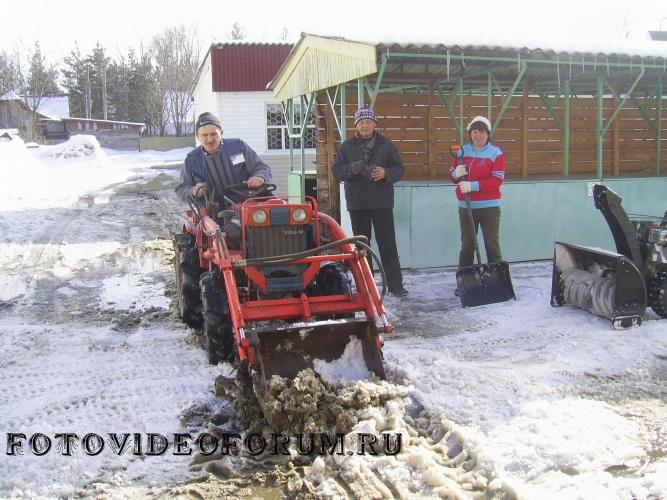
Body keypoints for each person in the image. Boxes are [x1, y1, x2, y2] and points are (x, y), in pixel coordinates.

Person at [332, 107, 408, 297]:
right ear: (356, 125)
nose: (365, 125)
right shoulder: (347, 147)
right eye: (361, 122)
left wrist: (386, 173)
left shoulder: (386, 145)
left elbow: (399, 169)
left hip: (382, 202)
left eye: (368, 122)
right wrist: (353, 169)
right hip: (358, 203)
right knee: (362, 247)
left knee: (388, 244)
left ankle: (396, 286)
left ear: (374, 124)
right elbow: (337, 171)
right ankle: (366, 286)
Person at [450, 115, 506, 293]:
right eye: (474, 131)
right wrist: (456, 174)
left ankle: (497, 281)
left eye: (481, 131)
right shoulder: (462, 152)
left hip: (489, 207)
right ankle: (464, 282)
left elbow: (497, 180)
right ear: (470, 133)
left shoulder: (495, 153)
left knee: (491, 243)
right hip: (466, 207)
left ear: (488, 134)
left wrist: (472, 186)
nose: (478, 135)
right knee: (468, 244)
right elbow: (453, 176)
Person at [175, 112, 272, 207]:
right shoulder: (192, 160)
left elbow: (262, 168)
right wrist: (193, 191)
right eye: (204, 135)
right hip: (212, 212)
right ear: (197, 136)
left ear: (221, 133)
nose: (209, 139)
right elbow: (181, 190)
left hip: (248, 204)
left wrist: (260, 177)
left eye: (214, 134)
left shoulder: (238, 147)